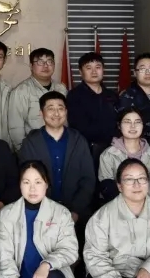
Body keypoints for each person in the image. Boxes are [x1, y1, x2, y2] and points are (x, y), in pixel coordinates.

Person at [16, 92, 95, 225]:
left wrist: (75, 211)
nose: (56, 113)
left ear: (66, 112)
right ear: (41, 113)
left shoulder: (78, 140)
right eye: (50, 109)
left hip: (76, 214)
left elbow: (88, 179)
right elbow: (25, 180)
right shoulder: (31, 142)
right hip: (39, 213)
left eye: (60, 108)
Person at [99, 107, 150, 204]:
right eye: (127, 122)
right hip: (119, 208)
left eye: (137, 122)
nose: (133, 126)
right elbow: (107, 189)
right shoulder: (108, 155)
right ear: (119, 126)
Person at [7, 48, 67, 151]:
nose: (46, 66)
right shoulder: (21, 91)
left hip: (61, 148)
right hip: (34, 150)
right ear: (31, 66)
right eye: (40, 62)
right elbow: (15, 128)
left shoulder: (61, 89)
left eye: (49, 61)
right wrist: (24, 152)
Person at [66, 51, 119, 162]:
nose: (94, 71)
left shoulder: (112, 95)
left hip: (113, 149)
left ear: (103, 70)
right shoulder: (74, 96)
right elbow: (77, 127)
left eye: (98, 67)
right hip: (86, 151)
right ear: (81, 72)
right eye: (88, 68)